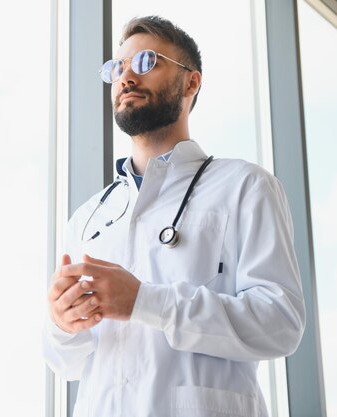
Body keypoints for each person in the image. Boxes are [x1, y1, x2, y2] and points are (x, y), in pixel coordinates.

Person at [42, 15, 305, 417]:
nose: (127, 76)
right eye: (118, 68)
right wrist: (63, 325)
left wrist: (147, 302)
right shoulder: (89, 217)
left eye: (146, 61)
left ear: (191, 82)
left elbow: (279, 324)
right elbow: (68, 365)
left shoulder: (244, 186)